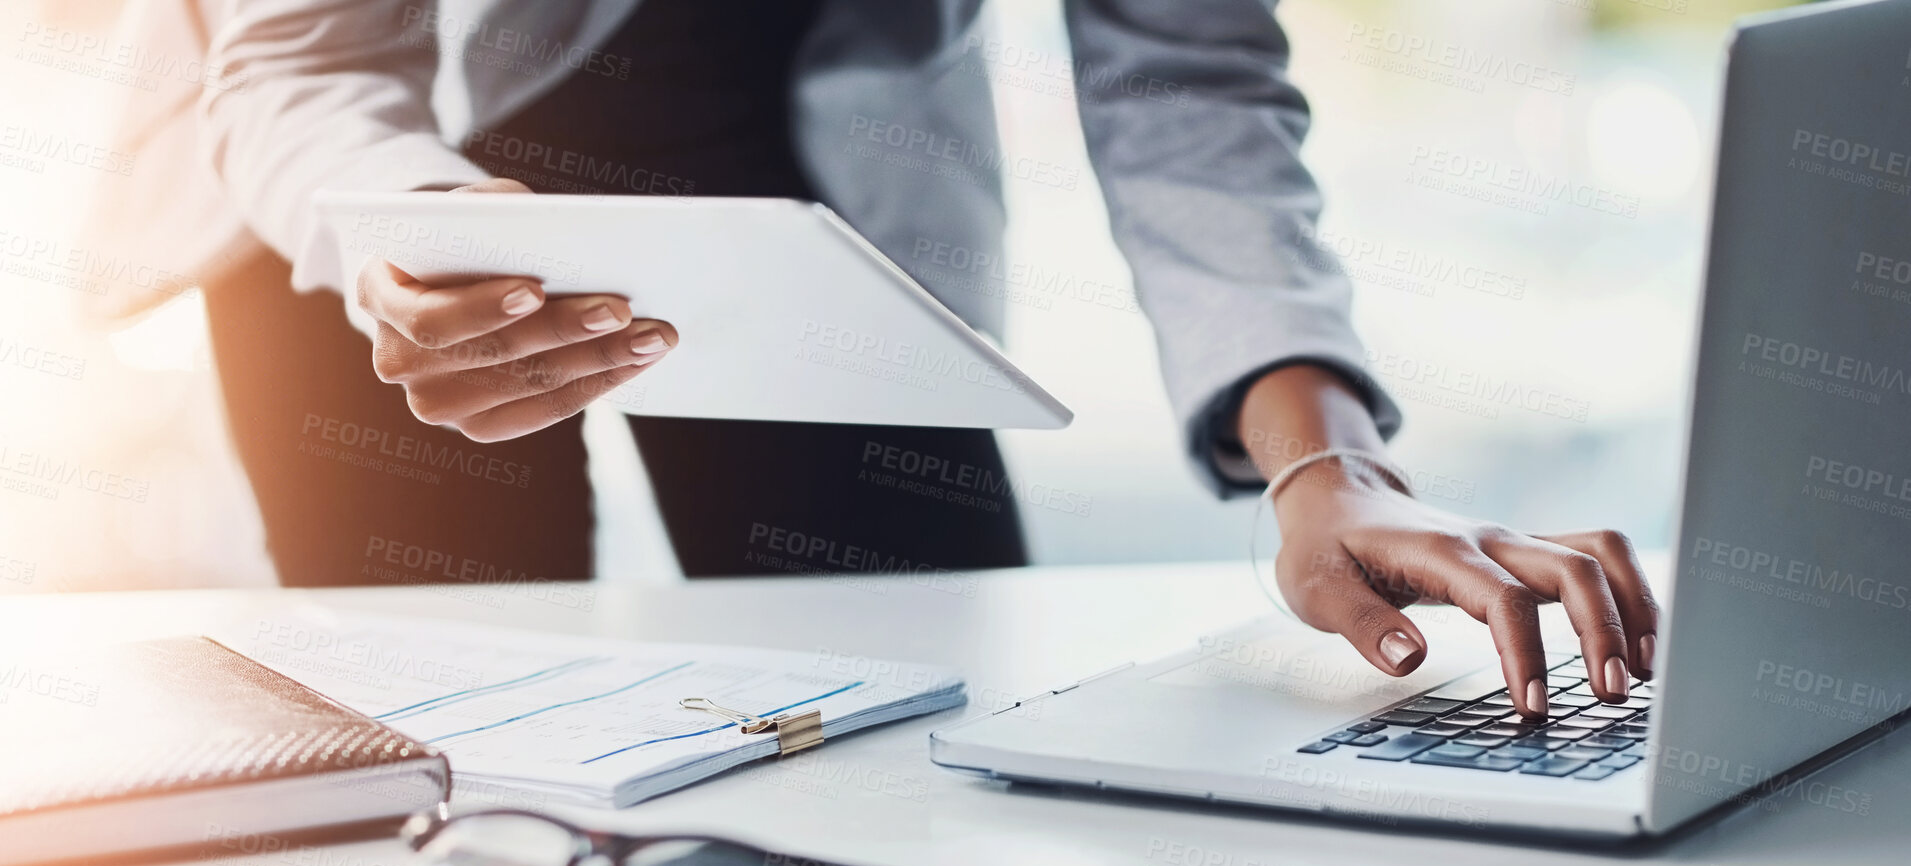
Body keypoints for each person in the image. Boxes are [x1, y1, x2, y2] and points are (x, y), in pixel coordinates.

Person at [185, 0, 1655, 717]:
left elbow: (1185, 75)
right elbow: (302, 62)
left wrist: (1331, 463)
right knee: (459, 741)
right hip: (368, 201)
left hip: (802, 164)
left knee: (926, 719)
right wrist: (404, 236)